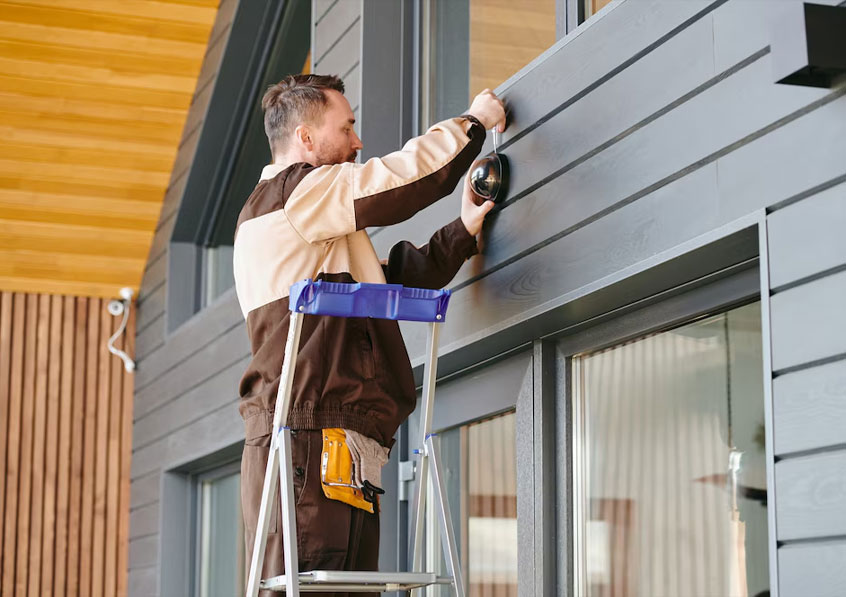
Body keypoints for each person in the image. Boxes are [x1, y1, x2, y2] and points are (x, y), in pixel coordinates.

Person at [232, 73, 506, 595]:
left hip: (327, 439)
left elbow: (385, 281)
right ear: (305, 138)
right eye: (347, 127)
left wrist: (463, 231)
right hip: (310, 438)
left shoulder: (294, 218)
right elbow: (399, 180)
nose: (358, 143)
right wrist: (473, 124)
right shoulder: (296, 193)